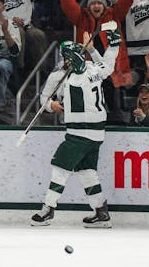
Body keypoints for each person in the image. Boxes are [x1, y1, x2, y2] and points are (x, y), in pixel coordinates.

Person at [31, 27, 121, 228]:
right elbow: (109, 63)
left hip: (80, 132)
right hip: (96, 132)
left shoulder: (78, 74)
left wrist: (92, 50)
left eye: (76, 56)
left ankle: (48, 209)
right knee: (86, 170)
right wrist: (50, 105)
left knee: (60, 168)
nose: (72, 60)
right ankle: (101, 212)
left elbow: (80, 73)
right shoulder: (92, 69)